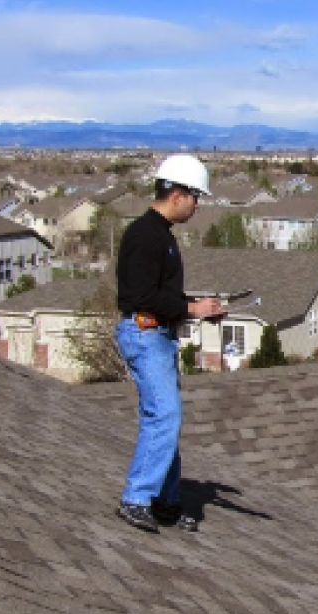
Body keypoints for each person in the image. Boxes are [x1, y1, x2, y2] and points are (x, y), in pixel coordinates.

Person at [114, 153, 225, 533]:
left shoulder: (159, 236)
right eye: (196, 198)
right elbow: (144, 296)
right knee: (165, 415)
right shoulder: (147, 236)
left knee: (165, 416)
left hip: (156, 334)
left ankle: (165, 500)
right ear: (177, 194)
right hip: (145, 334)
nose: (197, 206)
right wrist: (192, 308)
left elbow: (160, 294)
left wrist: (197, 308)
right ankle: (136, 498)